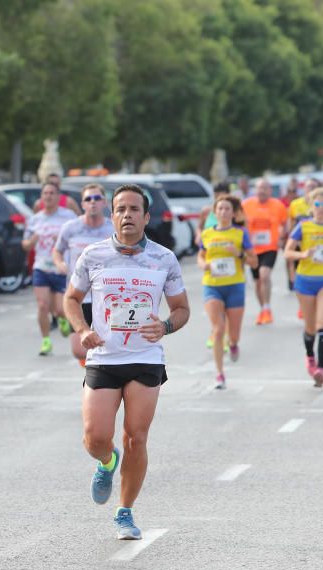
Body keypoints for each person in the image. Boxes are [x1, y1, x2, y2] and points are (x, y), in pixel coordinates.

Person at [63, 184, 189, 541]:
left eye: (135, 209)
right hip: (104, 356)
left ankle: (125, 511)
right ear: (111, 215)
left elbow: (182, 309)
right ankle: (106, 461)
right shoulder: (93, 255)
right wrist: (82, 329)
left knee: (137, 436)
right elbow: (71, 299)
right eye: (121, 209)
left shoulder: (163, 259)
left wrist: (164, 326)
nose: (127, 215)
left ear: (146, 217)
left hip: (145, 358)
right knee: (95, 436)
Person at [284, 189, 323, 386]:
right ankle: (310, 356)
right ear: (311, 207)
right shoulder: (303, 226)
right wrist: (302, 255)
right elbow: (287, 252)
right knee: (310, 328)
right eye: (317, 205)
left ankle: (321, 369)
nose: (321, 209)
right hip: (305, 280)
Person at [198, 196, 256, 389]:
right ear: (215, 212)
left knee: (234, 334)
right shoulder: (207, 234)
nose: (223, 212)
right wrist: (203, 264)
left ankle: (233, 344)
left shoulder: (241, 233)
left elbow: (253, 261)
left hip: (235, 286)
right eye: (220, 209)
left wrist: (238, 254)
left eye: (227, 209)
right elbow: (200, 256)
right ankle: (220, 374)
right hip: (212, 285)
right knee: (218, 329)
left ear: (234, 212)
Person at [52, 184, 114, 365]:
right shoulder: (71, 228)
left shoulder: (112, 229)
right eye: (88, 199)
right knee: (79, 350)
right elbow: (57, 251)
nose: (92, 202)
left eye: (97, 198)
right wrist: (60, 263)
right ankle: (94, 373)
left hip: (105, 297)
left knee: (105, 347)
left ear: (104, 203)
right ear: (83, 204)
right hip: (77, 296)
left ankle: (97, 381)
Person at [23, 181, 77, 355]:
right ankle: (46, 341)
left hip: (61, 267)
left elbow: (77, 239)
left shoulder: (68, 216)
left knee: (60, 309)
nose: (48, 196)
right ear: (41, 197)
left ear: (58, 196)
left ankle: (62, 319)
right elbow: (25, 245)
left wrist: (61, 241)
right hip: (41, 267)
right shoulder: (35, 219)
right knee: (42, 305)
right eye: (45, 193)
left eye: (52, 193)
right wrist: (32, 241)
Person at [242, 178, 288, 324]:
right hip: (252, 249)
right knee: (257, 281)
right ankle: (263, 309)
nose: (261, 191)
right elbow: (240, 223)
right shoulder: (246, 205)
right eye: (259, 188)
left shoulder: (278, 205)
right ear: (255, 190)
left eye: (265, 188)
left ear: (270, 190)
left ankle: (267, 308)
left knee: (264, 275)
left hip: (270, 247)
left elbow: (285, 223)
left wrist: (282, 237)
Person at [286, 178, 320, 294]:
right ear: (304, 188)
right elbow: (291, 221)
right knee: (296, 264)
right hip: (298, 240)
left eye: (314, 187)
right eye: (309, 186)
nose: (311, 189)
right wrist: (290, 238)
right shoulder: (295, 204)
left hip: (314, 242)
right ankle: (295, 284)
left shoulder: (320, 205)